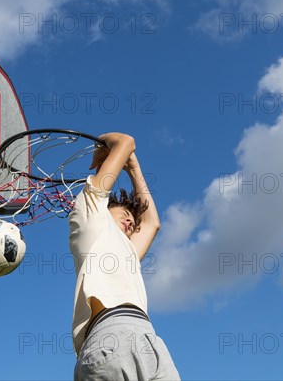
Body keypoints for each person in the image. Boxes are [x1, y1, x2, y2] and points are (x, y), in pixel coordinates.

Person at [69, 132, 180, 380]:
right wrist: (107, 147)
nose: (131, 220)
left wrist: (133, 167)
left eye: (133, 219)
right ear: (104, 209)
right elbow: (126, 141)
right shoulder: (90, 220)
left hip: (149, 339)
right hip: (109, 335)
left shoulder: (126, 251)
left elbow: (152, 223)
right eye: (124, 212)